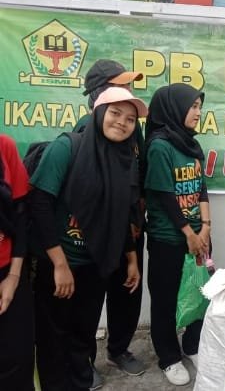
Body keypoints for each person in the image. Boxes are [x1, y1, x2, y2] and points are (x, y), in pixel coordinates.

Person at [31, 87, 146, 391]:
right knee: (53, 342)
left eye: (130, 119)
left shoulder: (124, 159)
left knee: (82, 340)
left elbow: (121, 214)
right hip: (59, 264)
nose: (122, 122)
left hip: (96, 266)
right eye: (115, 113)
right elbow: (39, 203)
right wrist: (59, 265)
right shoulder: (67, 147)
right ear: (98, 113)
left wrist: (131, 259)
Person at [76, 59, 147, 386]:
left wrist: (137, 218)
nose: (127, 92)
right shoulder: (84, 131)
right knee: (88, 300)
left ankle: (118, 349)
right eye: (120, 85)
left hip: (130, 229)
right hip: (96, 231)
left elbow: (140, 171)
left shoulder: (134, 129)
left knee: (128, 292)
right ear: (98, 94)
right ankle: (84, 360)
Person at [144, 83, 211, 386]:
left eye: (199, 106)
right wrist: (188, 233)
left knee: (200, 293)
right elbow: (164, 196)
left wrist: (205, 228)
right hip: (169, 240)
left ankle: (192, 345)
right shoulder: (159, 146)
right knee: (166, 300)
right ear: (174, 108)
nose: (198, 112)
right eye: (192, 106)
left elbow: (201, 188)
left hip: (199, 236)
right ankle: (169, 357)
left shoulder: (191, 144)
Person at [0, 135, 33, 391]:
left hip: (8, 273)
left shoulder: (5, 146)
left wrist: (13, 277)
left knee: (16, 359)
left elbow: (21, 215)